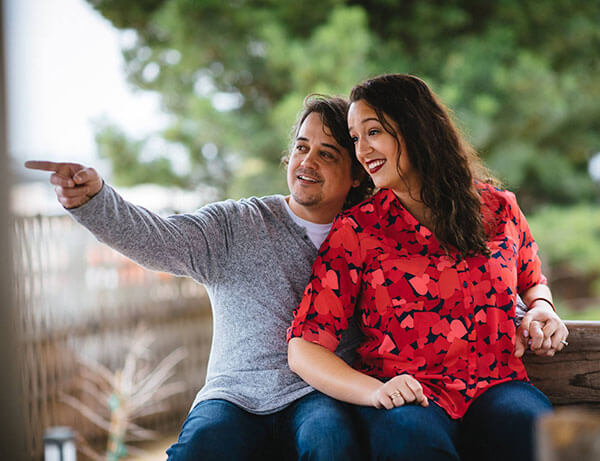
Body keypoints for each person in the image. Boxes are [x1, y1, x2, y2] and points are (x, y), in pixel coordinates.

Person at [25, 95, 374, 461]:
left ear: (355, 175)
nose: (307, 161)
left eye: (327, 154)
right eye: (302, 147)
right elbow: (156, 238)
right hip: (234, 395)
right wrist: (93, 200)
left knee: (333, 444)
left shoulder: (370, 241)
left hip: (318, 395)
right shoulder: (238, 224)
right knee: (201, 445)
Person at [287, 74, 569, 461]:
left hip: (497, 384)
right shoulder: (358, 228)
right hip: (408, 395)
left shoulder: (500, 209)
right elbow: (304, 348)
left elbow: (533, 281)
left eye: (373, 132)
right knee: (409, 440)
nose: (362, 149)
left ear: (415, 128)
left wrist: (542, 310)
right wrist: (375, 391)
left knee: (533, 430)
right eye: (355, 138)